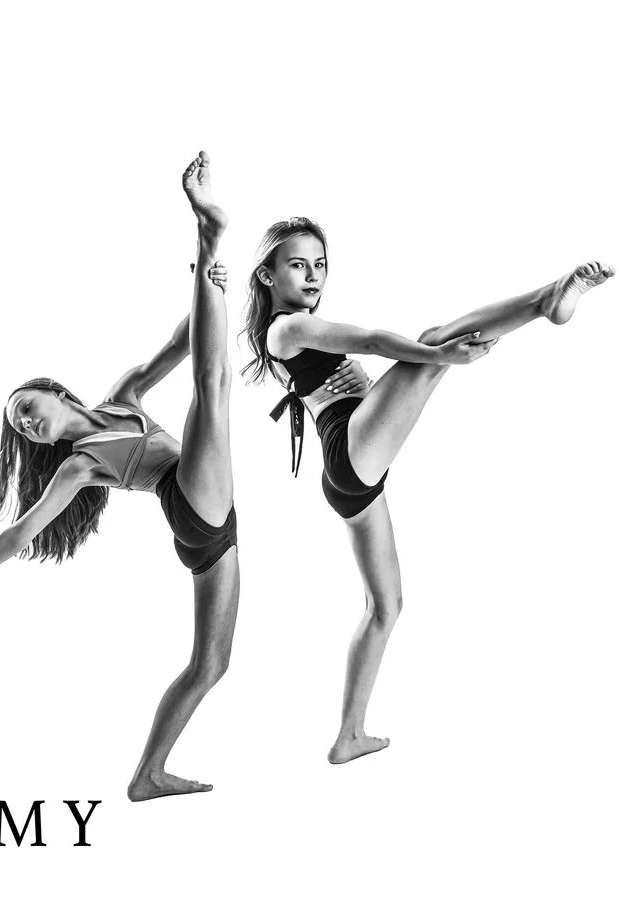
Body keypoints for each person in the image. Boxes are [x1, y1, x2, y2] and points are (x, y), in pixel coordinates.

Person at [0, 153, 241, 802]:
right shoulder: (79, 465)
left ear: (57, 394)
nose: (30, 425)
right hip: (190, 502)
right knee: (213, 391)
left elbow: (182, 343)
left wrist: (204, 285)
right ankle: (208, 227)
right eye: (23, 428)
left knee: (211, 665)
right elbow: (19, 534)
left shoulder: (123, 395)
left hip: (215, 530)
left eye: (30, 410)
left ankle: (146, 775)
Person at [240, 211, 607, 764]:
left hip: (353, 477)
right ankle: (547, 300)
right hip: (350, 451)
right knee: (435, 339)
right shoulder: (286, 327)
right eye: (298, 265)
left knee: (385, 607)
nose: (313, 276)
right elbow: (372, 339)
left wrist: (430, 361)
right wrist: (437, 358)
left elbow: (360, 356)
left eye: (320, 265)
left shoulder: (294, 327)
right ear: (267, 276)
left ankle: (349, 736)